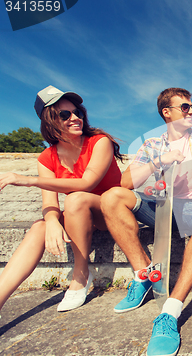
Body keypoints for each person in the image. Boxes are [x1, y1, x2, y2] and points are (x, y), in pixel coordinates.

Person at [100, 87, 192, 356]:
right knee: (112, 197)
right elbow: (125, 182)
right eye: (185, 107)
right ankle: (143, 276)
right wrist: (160, 160)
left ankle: (169, 313)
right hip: (166, 210)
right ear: (167, 112)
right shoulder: (152, 145)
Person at [0, 85, 122, 314]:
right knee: (39, 227)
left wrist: (29, 180)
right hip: (81, 219)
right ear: (49, 121)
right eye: (65, 115)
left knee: (75, 198)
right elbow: (50, 203)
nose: (75, 118)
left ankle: (81, 274)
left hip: (112, 212)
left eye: (78, 113)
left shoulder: (99, 142)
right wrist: (53, 221)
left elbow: (87, 184)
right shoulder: (47, 157)